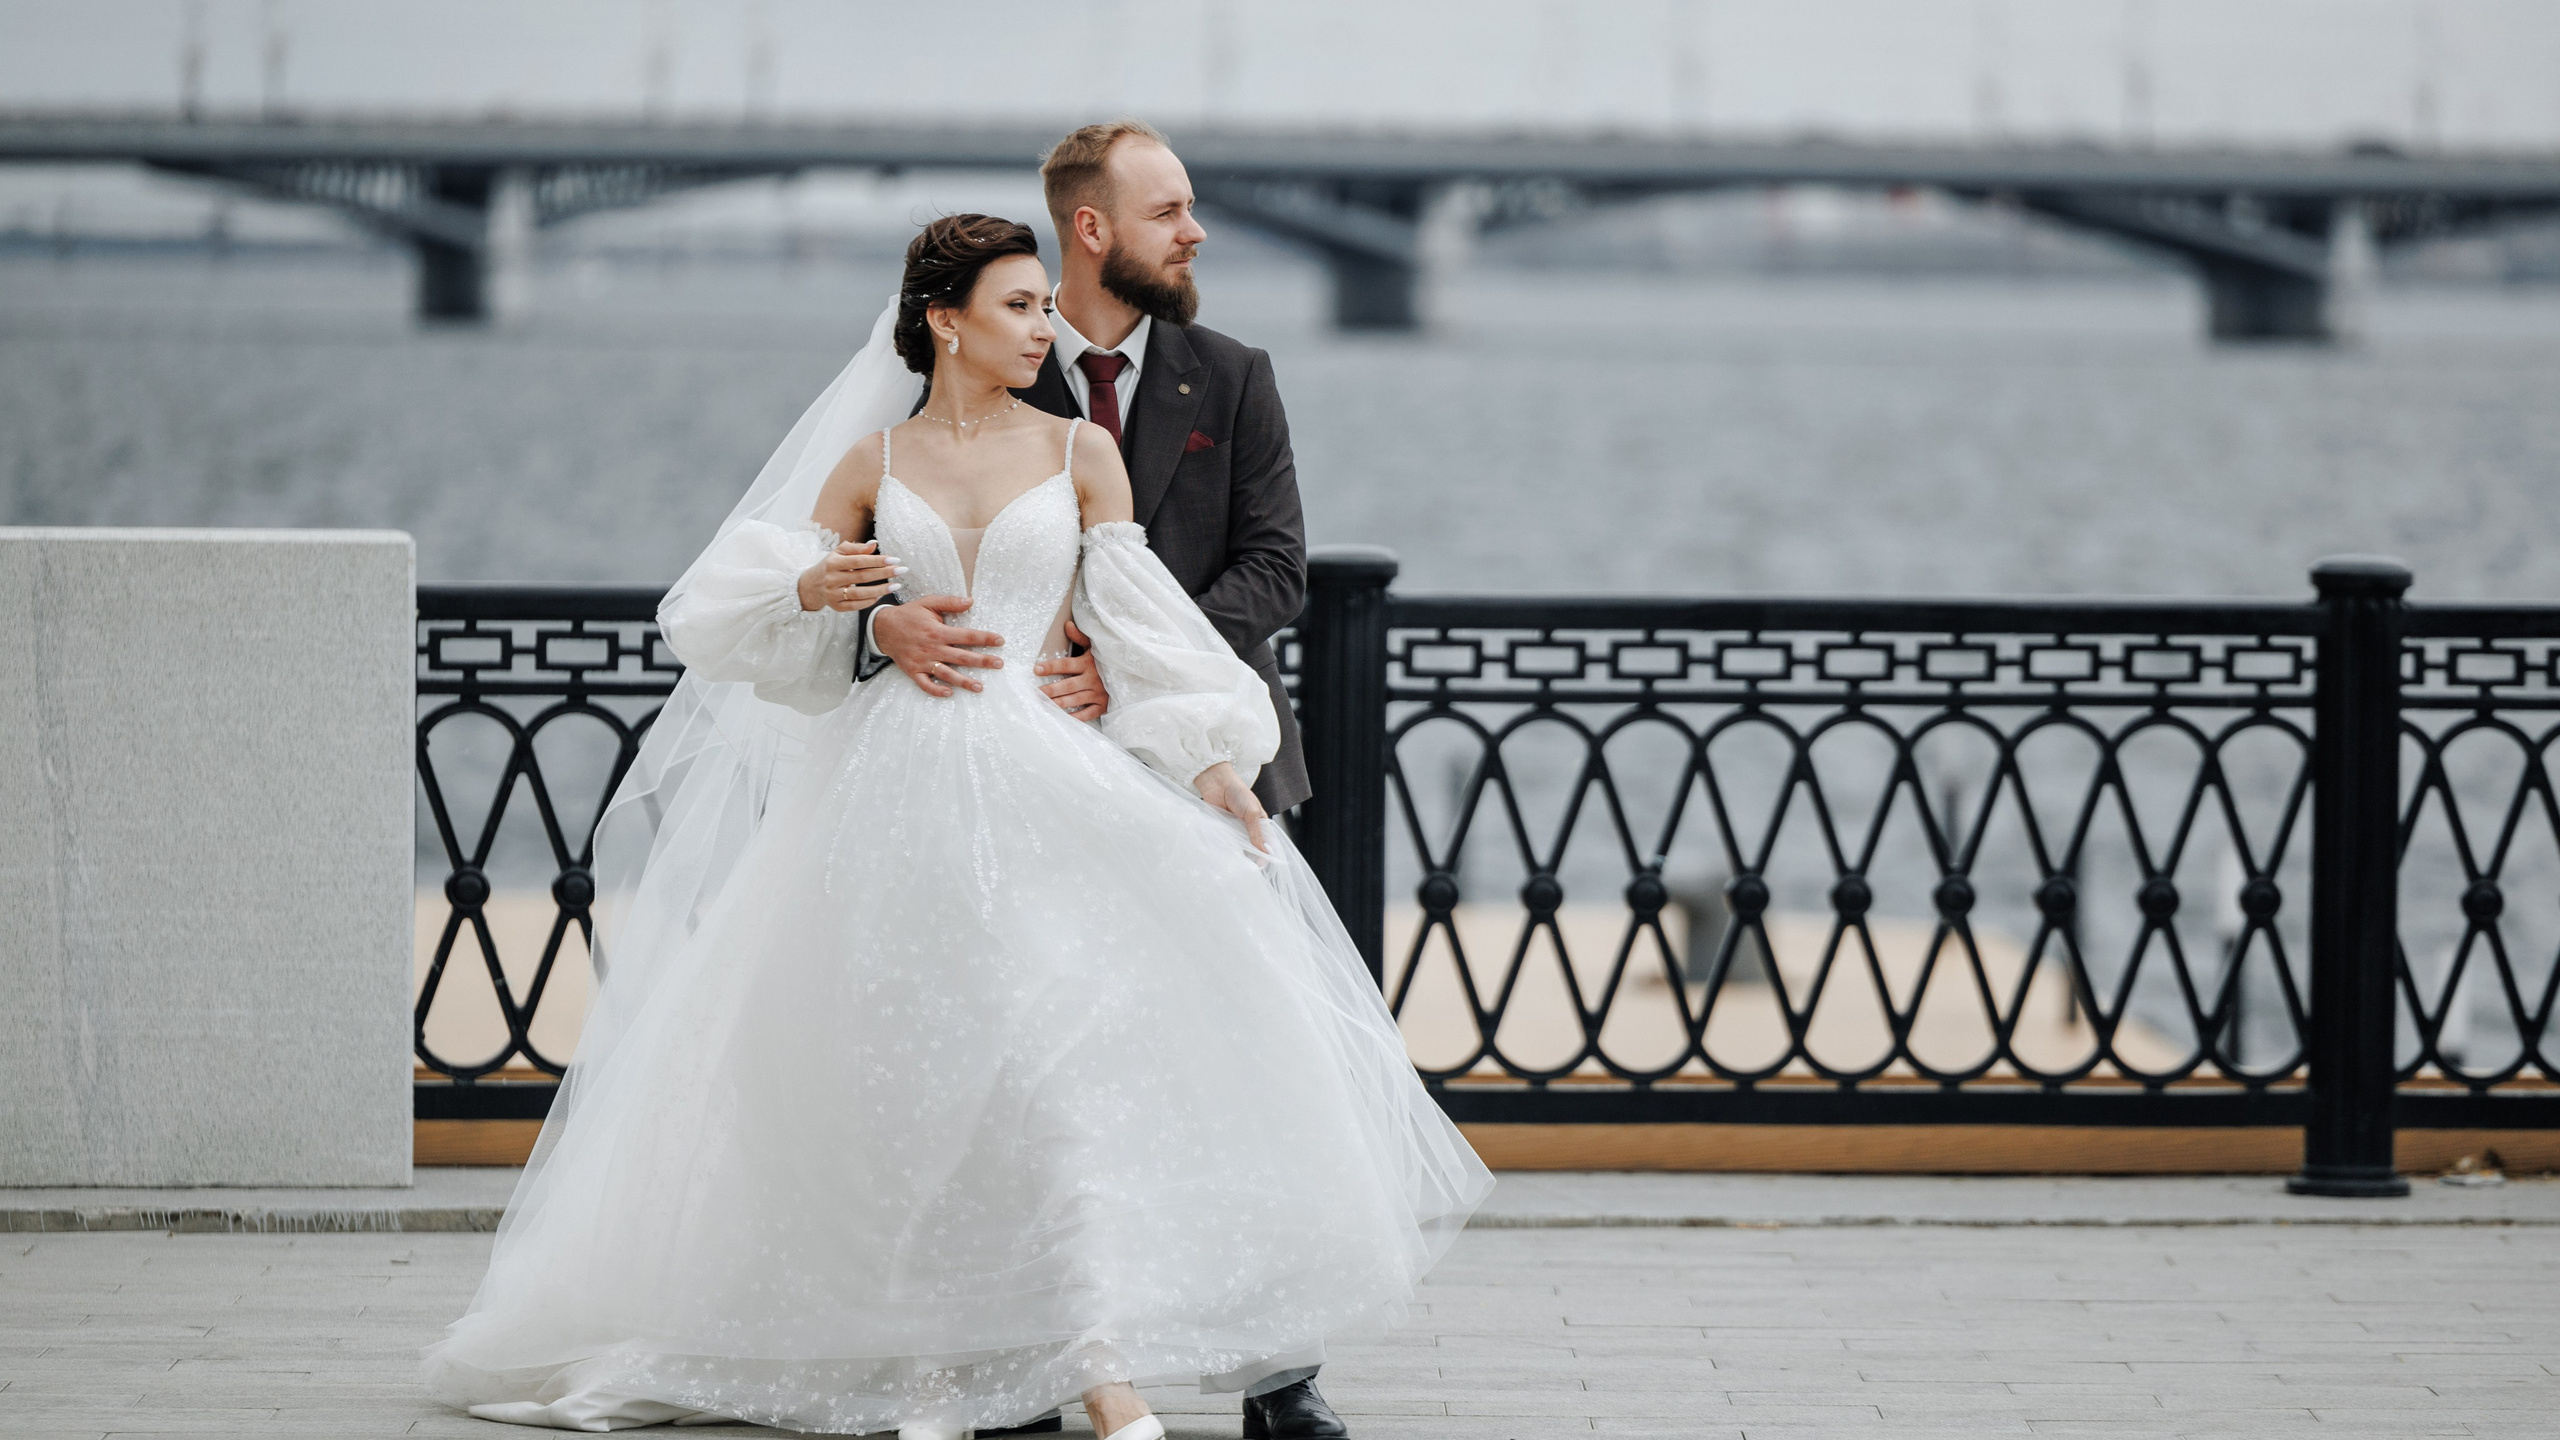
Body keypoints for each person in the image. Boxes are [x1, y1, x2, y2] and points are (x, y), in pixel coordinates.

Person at [418, 212, 1491, 1440]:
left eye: (1046, 305)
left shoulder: (1084, 452)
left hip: (1044, 781)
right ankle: (931, 1360)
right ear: (945, 320)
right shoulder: (870, 462)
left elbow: (1138, 622)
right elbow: (739, 613)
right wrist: (869, 622)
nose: (1046, 327)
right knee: (910, 1076)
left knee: (1050, 1067)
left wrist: (1211, 762)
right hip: (891, 788)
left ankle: (1096, 1365)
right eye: (1021, 307)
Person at [863, 121, 1308, 825]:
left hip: (1213, 765)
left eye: (1189, 209)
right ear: (1092, 228)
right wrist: (882, 625)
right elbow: (883, 552)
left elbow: (1277, 570)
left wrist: (1133, 666)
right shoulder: (977, 374)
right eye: (1167, 214)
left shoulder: (1235, 375)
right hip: (1028, 764)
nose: (1195, 233)